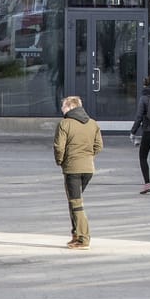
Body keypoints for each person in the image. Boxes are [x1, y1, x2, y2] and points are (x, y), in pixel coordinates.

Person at [54, 95, 104, 249]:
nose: (61, 109)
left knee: (76, 203)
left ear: (70, 107)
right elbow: (99, 146)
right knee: (73, 200)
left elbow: (59, 147)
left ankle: (83, 238)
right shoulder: (93, 123)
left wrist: (60, 161)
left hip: (72, 169)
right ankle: (76, 233)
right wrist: (88, 157)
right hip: (88, 168)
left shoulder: (64, 124)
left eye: (63, 106)